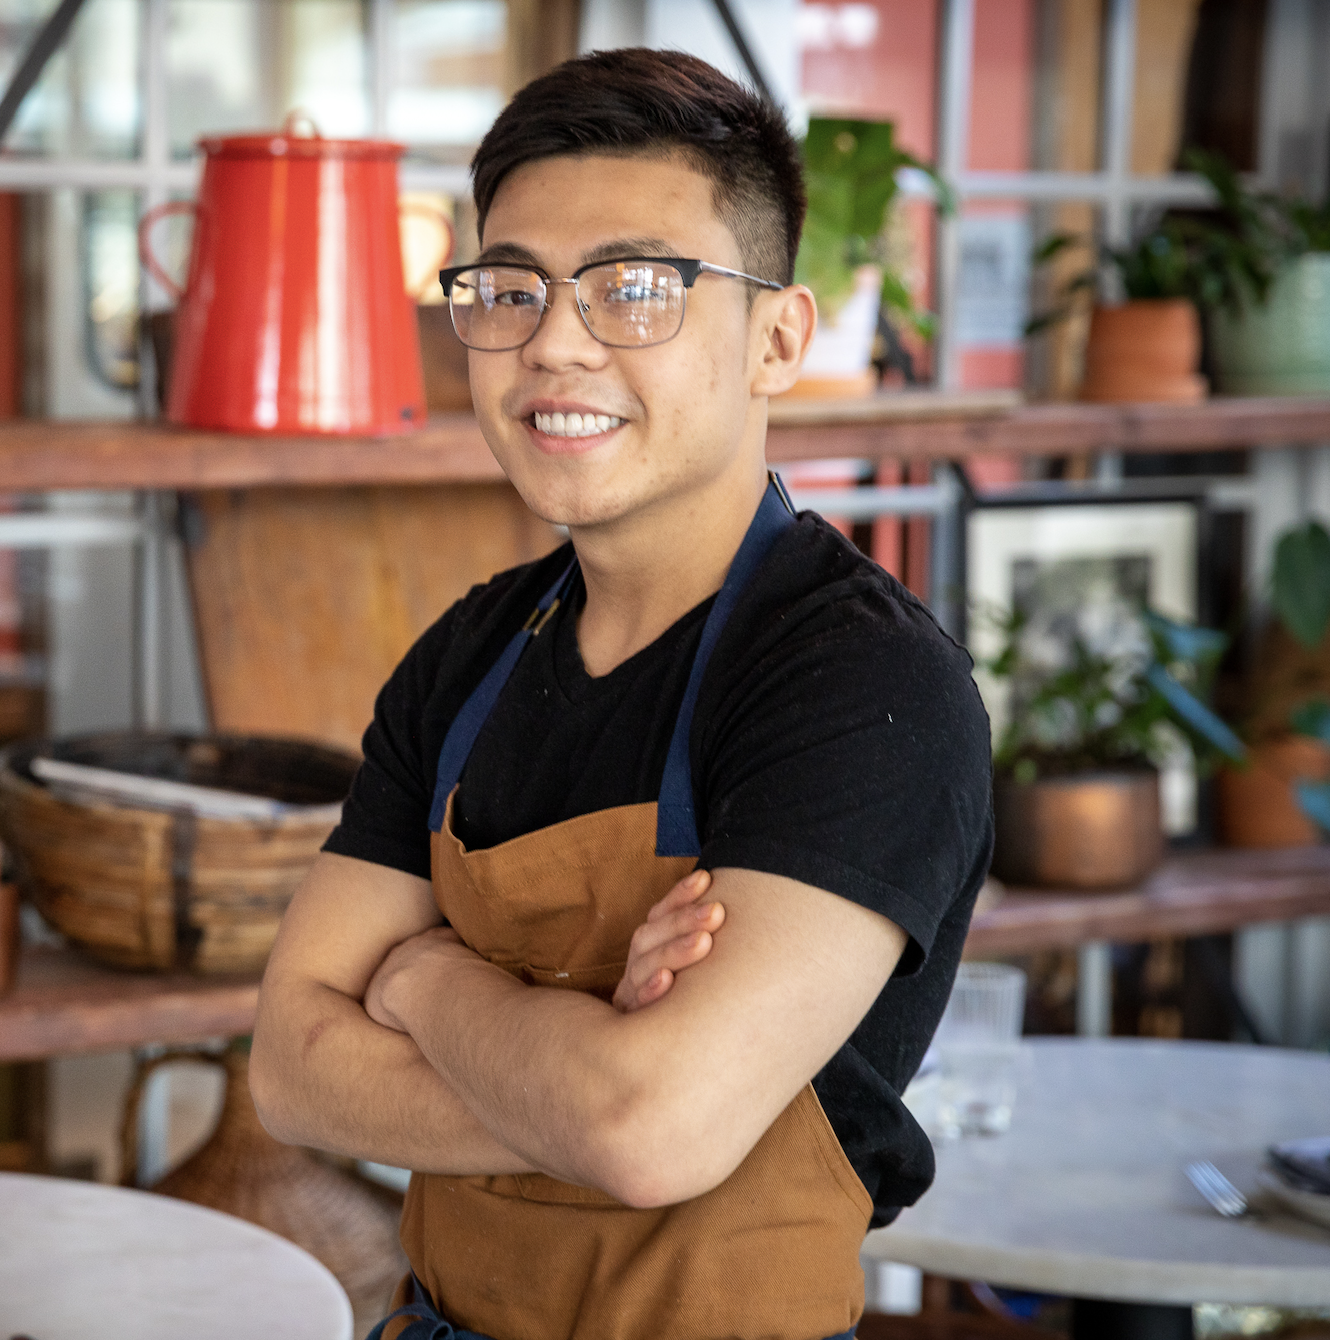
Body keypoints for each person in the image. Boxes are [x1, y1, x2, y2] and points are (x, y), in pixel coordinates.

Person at [247, 47, 994, 1340]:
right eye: (511, 289)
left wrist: (430, 986)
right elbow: (288, 1073)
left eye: (637, 290)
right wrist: (585, 1051)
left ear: (776, 338)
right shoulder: (470, 657)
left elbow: (654, 1130)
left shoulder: (860, 682)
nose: (555, 345)